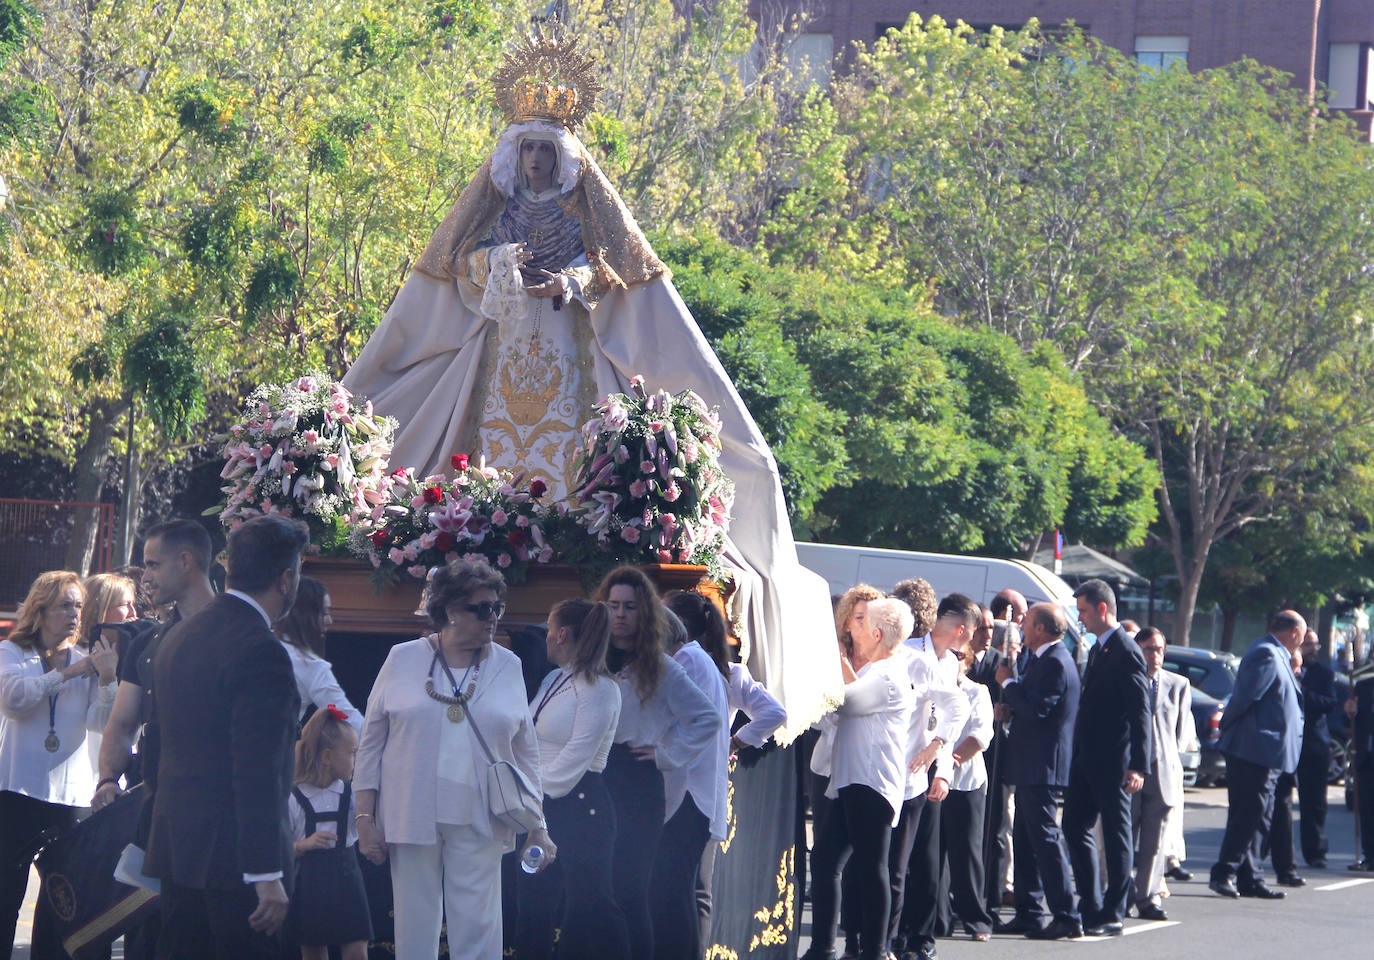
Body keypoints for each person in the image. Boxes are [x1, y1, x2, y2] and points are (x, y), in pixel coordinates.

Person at [342, 24, 840, 747]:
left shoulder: (585, 210)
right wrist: (499, 264)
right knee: (483, 437)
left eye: (548, 149)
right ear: (515, 158)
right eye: (529, 150)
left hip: (570, 345)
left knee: (580, 437)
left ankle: (575, 515)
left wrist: (571, 279)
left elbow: (611, 270)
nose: (538, 161)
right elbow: (461, 264)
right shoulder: (498, 206)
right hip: (503, 343)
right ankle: (486, 505)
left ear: (565, 158)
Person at [354, 555, 553, 960]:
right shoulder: (403, 658)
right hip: (410, 814)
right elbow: (370, 743)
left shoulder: (509, 665)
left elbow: (526, 753)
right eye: (480, 609)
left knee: (480, 932)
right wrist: (364, 819)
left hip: (482, 816)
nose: (491, 618)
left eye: (496, 608)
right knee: (413, 930)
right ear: (447, 610)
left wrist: (538, 824)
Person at [145, 515, 307, 959]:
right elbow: (258, 769)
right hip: (238, 869)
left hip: (180, 855)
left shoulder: (178, 636)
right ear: (286, 579)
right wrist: (265, 872)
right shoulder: (260, 650)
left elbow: (155, 749)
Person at [594, 567, 718, 960]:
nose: (620, 614)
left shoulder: (661, 667)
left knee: (631, 891)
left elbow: (707, 718)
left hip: (636, 779)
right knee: (596, 890)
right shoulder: (593, 658)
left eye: (630, 606)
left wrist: (667, 754)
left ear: (644, 612)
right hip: (593, 777)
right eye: (613, 605)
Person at [0, 571, 118, 960]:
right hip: (16, 792)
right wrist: (67, 674)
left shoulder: (87, 661)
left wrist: (106, 679)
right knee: (4, 899)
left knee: (69, 903)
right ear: (40, 609)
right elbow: (16, 700)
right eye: (64, 605)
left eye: (78, 606)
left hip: (70, 798)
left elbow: (101, 724)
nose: (73, 614)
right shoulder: (12, 653)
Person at [663, 590, 784, 949]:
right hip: (708, 777)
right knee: (697, 884)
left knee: (691, 885)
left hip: (692, 778)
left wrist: (734, 742)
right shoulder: (726, 670)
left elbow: (776, 713)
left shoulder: (708, 667)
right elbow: (772, 712)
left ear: (679, 625)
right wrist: (734, 741)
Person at [803, 598, 917, 960]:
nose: (854, 628)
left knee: (871, 868)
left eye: (862, 622)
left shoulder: (888, 674)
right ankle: (823, 948)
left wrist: (827, 659)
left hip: (871, 783)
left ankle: (875, 952)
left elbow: (840, 701)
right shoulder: (876, 670)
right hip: (852, 781)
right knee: (825, 861)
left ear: (877, 633)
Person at [516, 597, 629, 960]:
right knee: (533, 904)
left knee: (589, 909)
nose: (546, 637)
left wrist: (528, 794)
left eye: (549, 629)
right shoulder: (555, 678)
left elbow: (572, 765)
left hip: (581, 811)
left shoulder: (602, 689)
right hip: (539, 807)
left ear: (562, 634)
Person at [94, 519, 217, 814]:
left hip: (214, 808)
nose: (145, 577)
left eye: (154, 565)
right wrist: (107, 780)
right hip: (150, 804)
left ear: (185, 561)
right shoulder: (147, 644)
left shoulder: (236, 636)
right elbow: (122, 724)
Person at [1062, 578, 1151, 936]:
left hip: (1114, 760)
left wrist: (1138, 765)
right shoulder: (1100, 648)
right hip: (1087, 758)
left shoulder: (1126, 650)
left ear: (1102, 608)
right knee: (1073, 825)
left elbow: (1140, 711)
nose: (1079, 618)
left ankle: (1113, 911)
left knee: (1116, 835)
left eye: (1083, 610)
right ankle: (1092, 903)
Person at [891, 594, 973, 960]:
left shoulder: (951, 663)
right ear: (961, 630)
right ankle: (890, 935)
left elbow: (950, 723)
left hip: (929, 770)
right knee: (896, 862)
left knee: (927, 860)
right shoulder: (908, 652)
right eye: (970, 634)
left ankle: (920, 938)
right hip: (897, 768)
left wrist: (943, 772)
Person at [993, 603, 1082, 940]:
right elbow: (1031, 707)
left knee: (1045, 839)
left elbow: (1040, 710)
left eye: (1028, 622)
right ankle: (1029, 911)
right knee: (1028, 838)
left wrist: (1010, 684)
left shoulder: (1056, 662)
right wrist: (1010, 708)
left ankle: (1066, 914)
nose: (1022, 626)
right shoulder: (1044, 660)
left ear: (1041, 629)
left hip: (1042, 766)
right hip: (1031, 762)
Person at [1208, 609, 1306, 900]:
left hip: (1268, 753)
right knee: (1248, 814)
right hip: (1253, 750)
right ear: (1293, 632)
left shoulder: (1279, 655)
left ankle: (1251, 877)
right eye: (1302, 633)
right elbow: (1246, 697)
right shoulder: (1266, 653)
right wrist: (1224, 725)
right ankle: (1224, 872)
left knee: (1261, 816)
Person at [650, 607, 728, 960]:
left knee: (676, 892)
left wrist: (660, 753)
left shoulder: (687, 662)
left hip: (688, 790)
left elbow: (693, 720)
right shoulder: (697, 659)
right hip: (691, 789)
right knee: (679, 892)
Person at [287, 705, 371, 960]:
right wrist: (304, 845)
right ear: (326, 757)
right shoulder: (293, 798)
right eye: (352, 754)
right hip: (309, 884)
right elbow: (277, 848)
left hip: (347, 878)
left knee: (356, 949)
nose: (356, 761)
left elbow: (368, 825)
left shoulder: (351, 793)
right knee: (313, 952)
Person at [1129, 627, 1194, 921]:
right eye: (1148, 649)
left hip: (1163, 769)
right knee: (1124, 836)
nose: (1155, 656)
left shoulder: (1177, 684)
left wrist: (1172, 761)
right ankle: (1120, 891)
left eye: (1159, 649)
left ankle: (1148, 895)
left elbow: (1181, 732)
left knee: (1155, 841)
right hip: (1130, 770)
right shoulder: (1126, 679)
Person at [941, 646, 995, 940]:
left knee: (966, 852)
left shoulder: (978, 692)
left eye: (960, 657)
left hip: (965, 781)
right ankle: (937, 918)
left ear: (969, 661)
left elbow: (979, 736)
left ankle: (976, 920)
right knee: (933, 855)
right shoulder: (934, 687)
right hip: (932, 780)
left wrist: (946, 762)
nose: (954, 661)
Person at [275, 576, 363, 732]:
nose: (329, 620)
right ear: (304, 615)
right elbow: (346, 717)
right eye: (324, 613)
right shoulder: (310, 665)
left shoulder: (263, 643)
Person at [77, 572, 137, 778]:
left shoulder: (131, 658)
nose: (133, 612)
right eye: (124, 604)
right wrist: (107, 677)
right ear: (99, 610)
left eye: (133, 604)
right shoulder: (77, 659)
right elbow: (100, 724)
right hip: (86, 781)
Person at [1295, 628, 1338, 868]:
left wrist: (1304, 692)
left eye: (1315, 645)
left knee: (1315, 802)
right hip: (1289, 743)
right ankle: (1265, 849)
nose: (1312, 649)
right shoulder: (1288, 669)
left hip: (1315, 744)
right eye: (1308, 644)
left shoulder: (1324, 674)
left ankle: (1315, 851)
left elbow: (1329, 704)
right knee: (1276, 800)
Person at [1344, 668, 1374, 871]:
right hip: (1366, 756)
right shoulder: (1362, 686)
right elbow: (1350, 722)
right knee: (1367, 809)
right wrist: (1349, 711)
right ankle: (1369, 856)